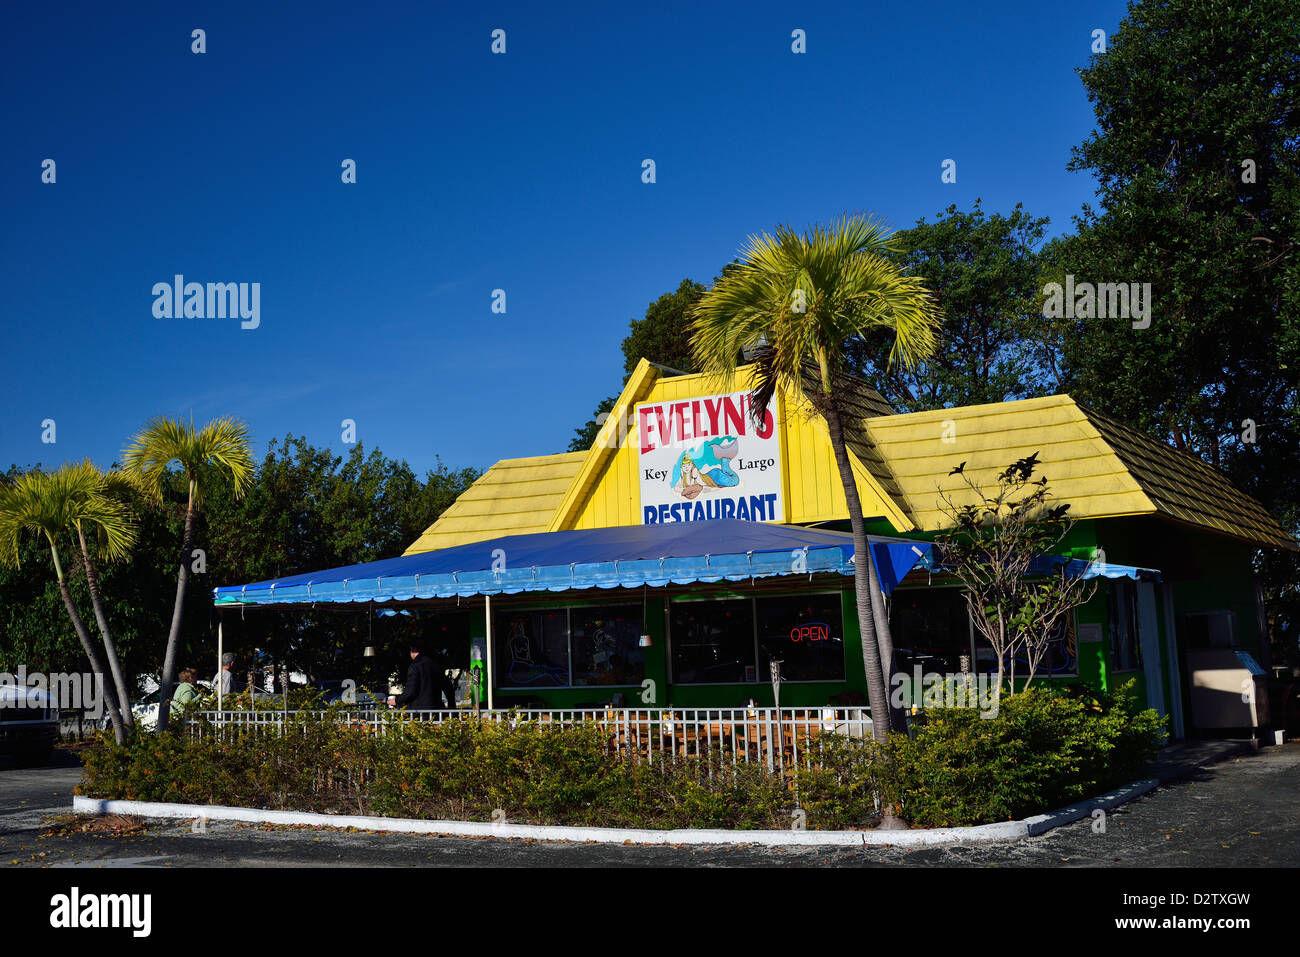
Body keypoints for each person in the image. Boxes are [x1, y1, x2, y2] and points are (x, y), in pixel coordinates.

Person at [387, 643, 437, 710]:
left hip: (419, 710)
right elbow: (448, 687)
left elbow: (410, 691)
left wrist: (396, 701)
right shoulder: (434, 664)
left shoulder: (415, 666)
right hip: (436, 708)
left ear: (413, 650)